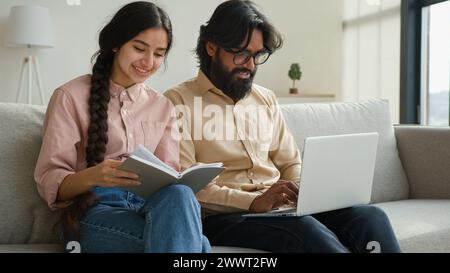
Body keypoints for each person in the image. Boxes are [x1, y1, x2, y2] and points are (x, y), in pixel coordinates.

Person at [164, 0, 401, 253]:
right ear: (211, 47)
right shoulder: (177, 102)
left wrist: (302, 191)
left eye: (257, 55)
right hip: (223, 216)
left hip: (279, 210)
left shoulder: (264, 98)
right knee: (305, 231)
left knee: (370, 217)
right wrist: (254, 201)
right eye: (241, 54)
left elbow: (290, 163)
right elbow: (188, 187)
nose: (250, 65)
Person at [34, 1, 210, 253]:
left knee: (180, 194)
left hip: (147, 210)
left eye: (159, 54)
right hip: (92, 213)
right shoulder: (70, 96)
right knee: (196, 245)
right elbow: (50, 180)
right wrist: (94, 175)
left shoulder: (163, 107)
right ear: (115, 43)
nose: (148, 61)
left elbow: (168, 180)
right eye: (140, 48)